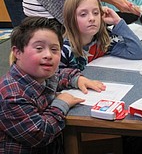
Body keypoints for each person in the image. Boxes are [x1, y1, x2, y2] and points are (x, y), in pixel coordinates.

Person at [0, 16, 106, 153]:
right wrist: (61, 104)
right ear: (18, 52)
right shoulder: (11, 95)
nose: (48, 55)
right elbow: (40, 134)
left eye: (54, 49)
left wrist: (77, 79)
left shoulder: (39, 74)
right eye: (39, 48)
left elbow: (59, 75)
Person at [59, 0, 142, 71]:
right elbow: (53, 80)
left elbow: (137, 52)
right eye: (83, 14)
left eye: (96, 13)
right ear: (71, 19)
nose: (92, 18)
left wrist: (118, 22)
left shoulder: (104, 41)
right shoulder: (63, 50)